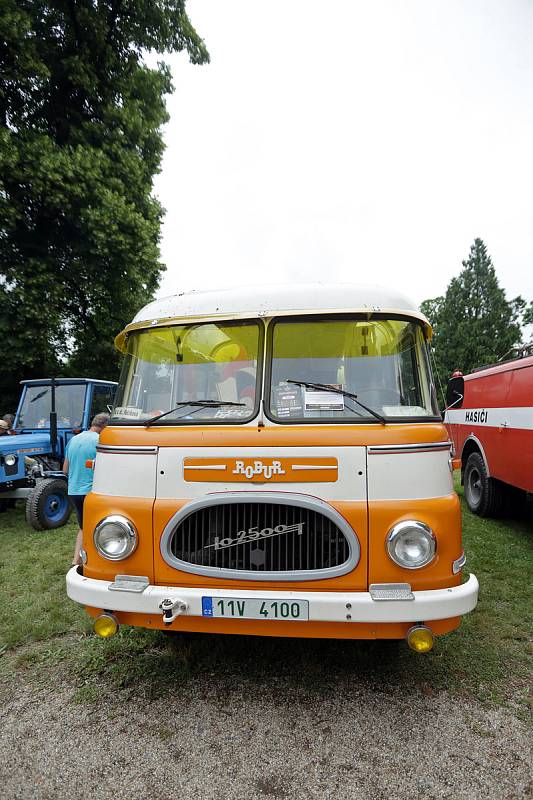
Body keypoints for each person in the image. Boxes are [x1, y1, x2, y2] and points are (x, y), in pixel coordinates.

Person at [63, 412, 110, 567]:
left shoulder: (74, 440)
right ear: (105, 427)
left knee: (84, 527)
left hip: (74, 491)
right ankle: (95, 562)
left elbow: (65, 470)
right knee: (100, 527)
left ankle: (76, 561)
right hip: (92, 491)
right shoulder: (100, 440)